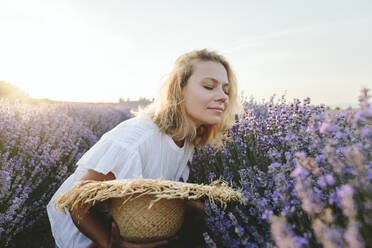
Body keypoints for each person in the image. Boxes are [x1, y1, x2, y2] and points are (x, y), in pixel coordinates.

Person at [47, 48, 242, 248]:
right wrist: (111, 243)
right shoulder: (137, 140)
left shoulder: (187, 138)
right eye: (209, 86)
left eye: (226, 90)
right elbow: (76, 202)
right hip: (86, 234)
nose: (223, 97)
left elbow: (156, 189)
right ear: (179, 88)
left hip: (130, 221)